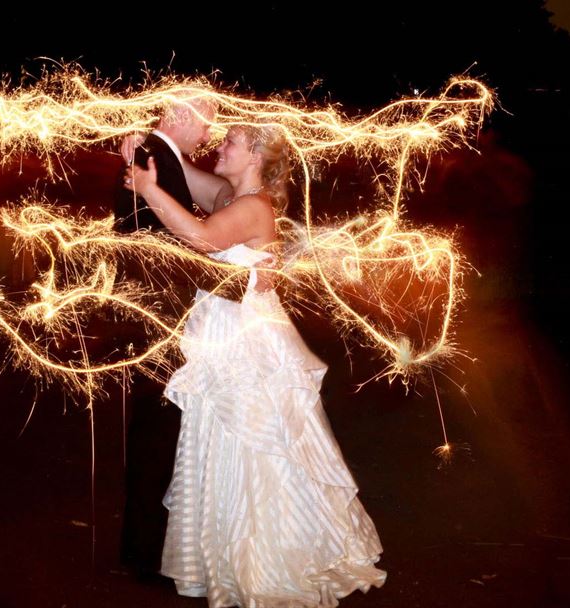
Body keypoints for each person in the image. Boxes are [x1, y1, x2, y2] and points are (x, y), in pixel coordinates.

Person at [123, 124, 386, 606]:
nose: (219, 146)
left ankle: (264, 557)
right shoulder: (230, 193)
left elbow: (203, 237)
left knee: (249, 443)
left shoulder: (253, 207)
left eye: (231, 143)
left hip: (242, 341)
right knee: (221, 442)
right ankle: (222, 552)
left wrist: (148, 189)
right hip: (225, 331)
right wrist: (148, 141)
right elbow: (182, 168)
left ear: (256, 157)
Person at [115, 92, 216, 583]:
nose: (210, 133)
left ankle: (146, 548)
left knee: (160, 432)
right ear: (180, 115)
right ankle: (145, 553)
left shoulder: (152, 155)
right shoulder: (151, 157)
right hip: (162, 321)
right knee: (157, 433)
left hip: (159, 317)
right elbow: (170, 246)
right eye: (206, 121)